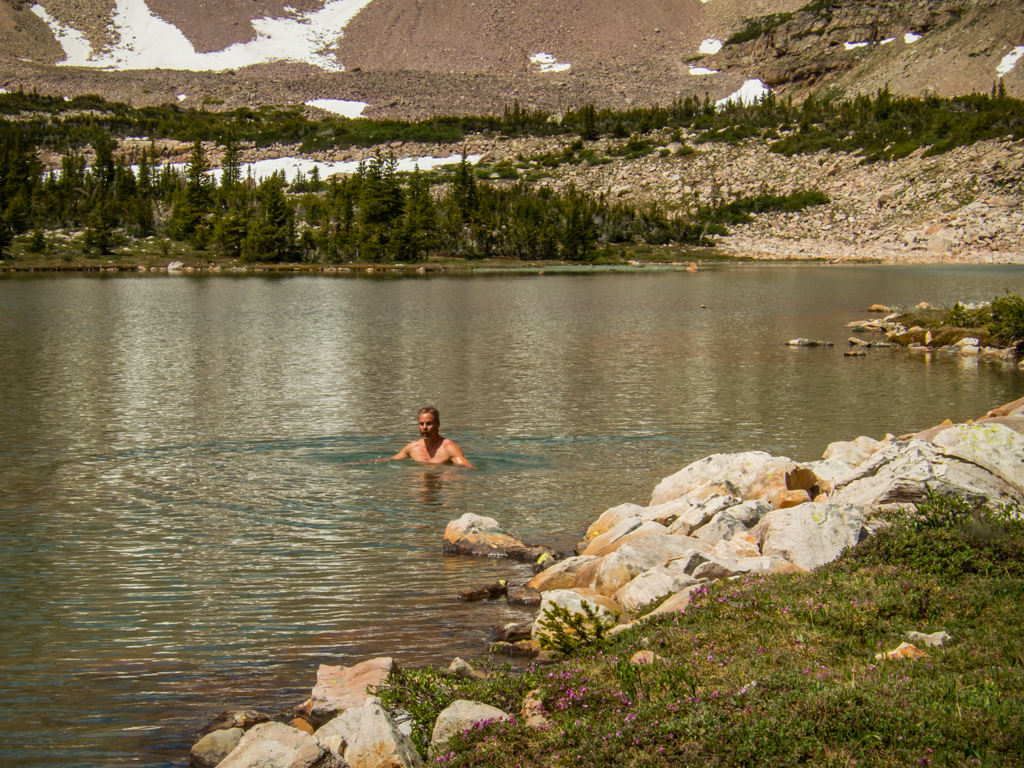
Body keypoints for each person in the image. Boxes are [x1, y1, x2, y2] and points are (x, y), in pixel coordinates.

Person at [390, 407, 474, 468]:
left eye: (429, 423)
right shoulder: (413, 448)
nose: (425, 427)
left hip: (441, 486)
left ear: (438, 424)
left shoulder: (449, 448)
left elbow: (468, 468)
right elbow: (390, 460)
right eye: (421, 424)